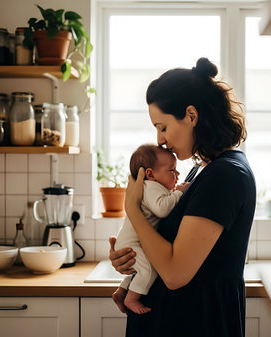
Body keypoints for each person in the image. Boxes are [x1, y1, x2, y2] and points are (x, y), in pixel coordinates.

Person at [108, 57, 256, 337]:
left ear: (191, 115)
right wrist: (130, 258)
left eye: (162, 126)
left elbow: (175, 274)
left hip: (193, 324)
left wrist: (133, 209)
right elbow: (163, 246)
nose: (160, 139)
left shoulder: (225, 175)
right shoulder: (200, 171)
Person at [114, 143, 189, 314]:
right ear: (150, 174)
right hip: (131, 244)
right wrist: (179, 193)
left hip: (130, 242)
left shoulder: (151, 187)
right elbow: (161, 209)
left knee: (140, 269)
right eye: (172, 170)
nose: (177, 174)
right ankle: (131, 298)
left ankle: (122, 291)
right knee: (149, 269)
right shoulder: (151, 187)